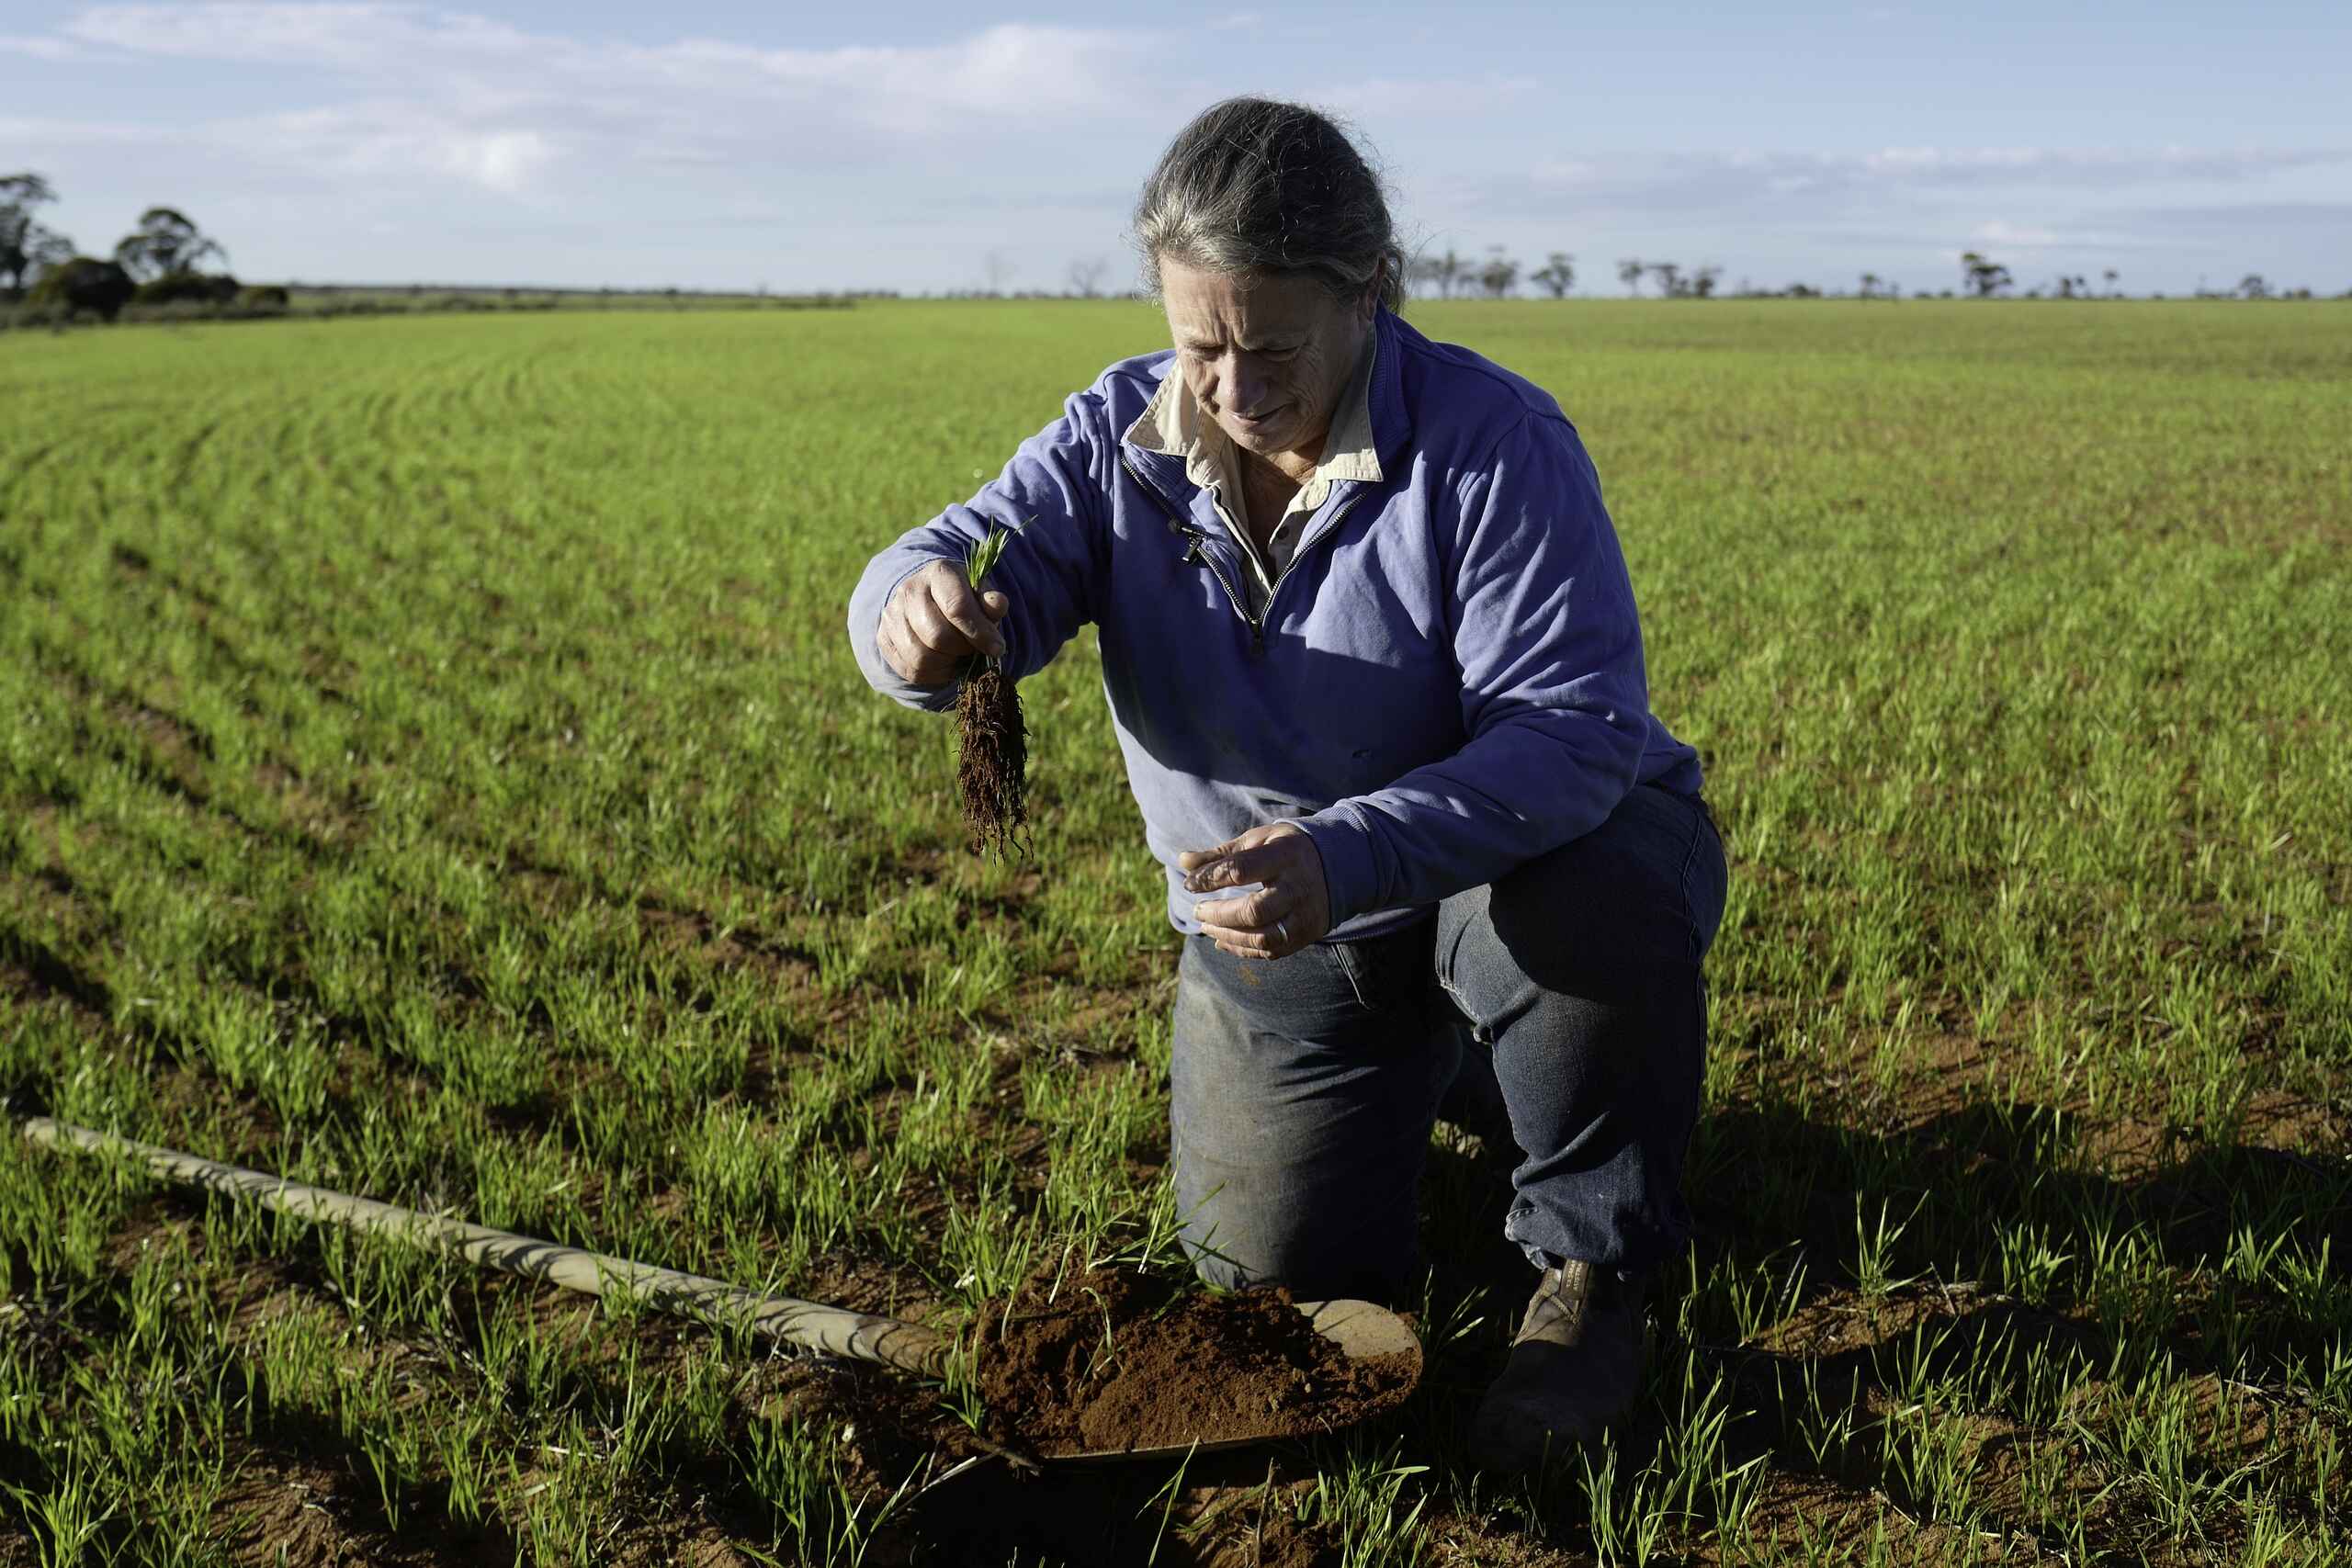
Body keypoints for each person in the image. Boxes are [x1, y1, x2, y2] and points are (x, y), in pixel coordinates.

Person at [847, 97, 1725, 1470]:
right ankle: (1458, 1077)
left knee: (1583, 910)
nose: (1237, 391)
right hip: (1277, 936)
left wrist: (1351, 854)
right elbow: (957, 550)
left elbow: (1570, 732)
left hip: (1511, 872)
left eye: (1274, 348)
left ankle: (1594, 1270)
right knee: (1262, 1284)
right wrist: (912, 609)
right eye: (1202, 345)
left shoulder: (1492, 445)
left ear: (1366, 293)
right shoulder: (1114, 440)